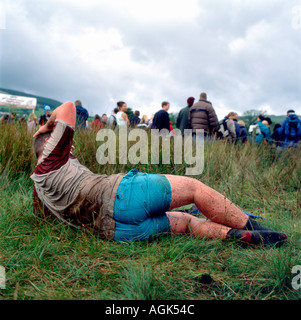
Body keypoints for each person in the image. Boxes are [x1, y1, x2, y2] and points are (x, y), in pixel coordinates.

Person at [30, 101, 287, 246]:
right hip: (121, 195)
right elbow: (67, 109)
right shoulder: (51, 157)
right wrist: (48, 126)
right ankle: (255, 228)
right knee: (194, 188)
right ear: (48, 145)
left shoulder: (39, 182)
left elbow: (40, 214)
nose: (70, 147)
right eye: (63, 144)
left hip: (117, 232)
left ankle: (236, 236)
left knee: (185, 222)